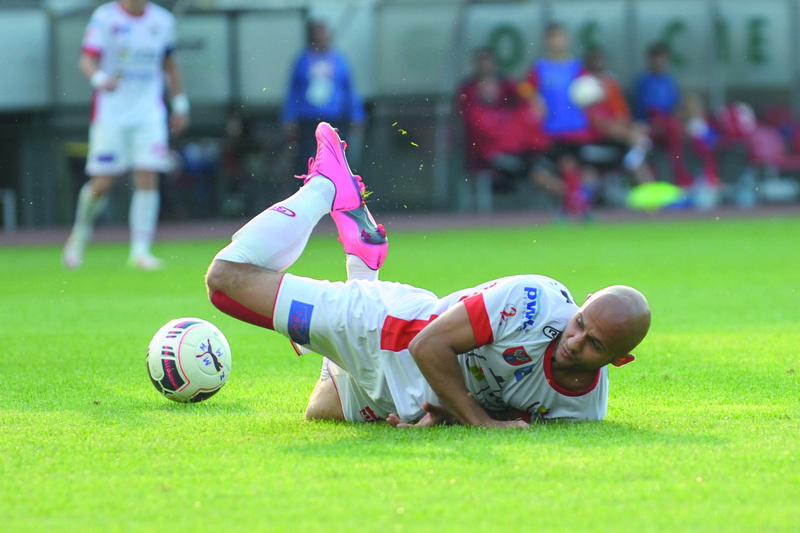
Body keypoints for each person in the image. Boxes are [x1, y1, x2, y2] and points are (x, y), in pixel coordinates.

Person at [204, 122, 652, 427]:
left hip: (408, 394)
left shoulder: (584, 409)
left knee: (320, 411)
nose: (575, 340)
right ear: (581, 306)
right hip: (382, 330)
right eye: (580, 324)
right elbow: (429, 343)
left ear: (619, 360)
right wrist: (479, 423)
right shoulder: (533, 301)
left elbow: (508, 404)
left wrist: (448, 414)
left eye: (594, 344)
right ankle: (326, 187)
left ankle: (363, 259)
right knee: (225, 282)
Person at [63, 0, 189, 270]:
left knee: (147, 175)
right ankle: (79, 234)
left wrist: (180, 105)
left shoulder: (162, 20)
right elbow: (86, 59)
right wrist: (100, 80)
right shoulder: (105, 17)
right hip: (111, 114)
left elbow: (170, 65)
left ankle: (140, 251)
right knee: (103, 182)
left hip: (149, 113)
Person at [525, 22, 596, 219]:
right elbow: (525, 89)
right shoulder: (540, 67)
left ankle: (571, 209)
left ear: (567, 40)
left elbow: (591, 92)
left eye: (559, 37)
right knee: (566, 166)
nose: (556, 41)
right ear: (547, 41)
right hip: (553, 128)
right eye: (552, 38)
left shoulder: (577, 67)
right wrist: (534, 100)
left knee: (580, 171)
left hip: (577, 126)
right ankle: (577, 207)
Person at [457, 47, 549, 196]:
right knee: (528, 169)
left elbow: (524, 90)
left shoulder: (504, 82)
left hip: (508, 143)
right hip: (485, 151)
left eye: (488, 62)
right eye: (481, 62)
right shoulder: (468, 89)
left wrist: (534, 99)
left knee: (541, 161)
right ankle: (572, 199)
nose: (485, 66)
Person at [282, 19, 366, 173]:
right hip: (308, 120)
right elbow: (294, 91)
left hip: (335, 117)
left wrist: (357, 115)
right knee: (307, 158)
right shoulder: (302, 60)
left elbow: (349, 88)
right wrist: (289, 117)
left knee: (337, 158)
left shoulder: (339, 60)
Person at [582, 46, 654, 184]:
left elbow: (623, 115)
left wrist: (632, 129)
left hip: (617, 136)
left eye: (600, 60)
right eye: (594, 61)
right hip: (594, 138)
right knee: (636, 144)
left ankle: (648, 189)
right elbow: (596, 122)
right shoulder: (584, 85)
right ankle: (635, 156)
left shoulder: (611, 83)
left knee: (639, 133)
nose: (598, 64)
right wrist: (628, 134)